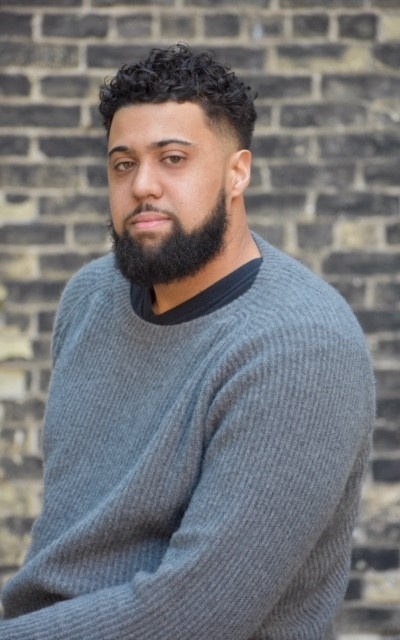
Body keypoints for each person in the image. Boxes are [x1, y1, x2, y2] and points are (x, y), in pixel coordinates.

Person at [0, 43, 375, 640]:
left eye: (172, 158)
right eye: (123, 164)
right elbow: (72, 548)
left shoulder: (300, 348)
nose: (142, 185)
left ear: (238, 172)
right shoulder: (92, 297)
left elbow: (197, 614)